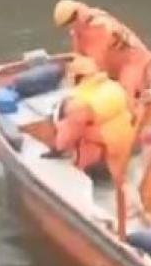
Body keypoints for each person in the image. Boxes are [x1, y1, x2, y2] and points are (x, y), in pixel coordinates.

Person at [50, 56, 136, 184]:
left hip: (102, 159)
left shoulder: (79, 102)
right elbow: (133, 113)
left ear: (76, 77)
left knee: (77, 138)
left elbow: (67, 136)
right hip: (125, 153)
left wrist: (56, 149)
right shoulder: (115, 87)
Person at [53, 0, 151, 96]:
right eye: (68, 23)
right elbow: (79, 55)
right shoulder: (81, 28)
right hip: (114, 68)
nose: (71, 25)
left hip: (133, 63)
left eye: (72, 19)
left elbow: (97, 64)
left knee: (125, 97)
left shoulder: (98, 27)